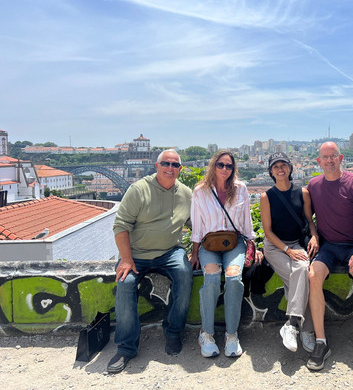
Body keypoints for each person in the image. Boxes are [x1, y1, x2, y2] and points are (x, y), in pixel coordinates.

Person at [108, 149, 194, 374]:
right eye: (165, 163)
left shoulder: (186, 194)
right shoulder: (139, 190)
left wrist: (198, 251)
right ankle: (126, 347)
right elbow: (121, 225)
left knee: (185, 275)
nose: (170, 168)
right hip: (136, 253)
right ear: (157, 166)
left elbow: (197, 226)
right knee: (125, 284)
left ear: (180, 169)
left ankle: (173, 332)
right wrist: (126, 259)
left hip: (170, 252)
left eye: (175, 165)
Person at [306, 141, 353, 374]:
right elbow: (307, 218)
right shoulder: (313, 186)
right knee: (313, 276)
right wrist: (313, 235)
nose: (329, 160)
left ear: (341, 158)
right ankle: (321, 342)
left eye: (333, 156)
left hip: (352, 247)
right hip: (328, 247)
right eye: (325, 157)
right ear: (318, 161)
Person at [190, 150, 261, 358]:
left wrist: (253, 246)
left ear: (233, 169)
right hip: (209, 244)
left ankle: (232, 334)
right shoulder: (200, 191)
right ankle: (207, 333)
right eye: (220, 164)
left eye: (229, 166)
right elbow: (197, 226)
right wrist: (194, 254)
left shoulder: (240, 189)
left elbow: (247, 222)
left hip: (234, 243)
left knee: (233, 278)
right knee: (211, 278)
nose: (224, 169)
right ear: (213, 166)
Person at [260, 152, 318, 353]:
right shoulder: (266, 197)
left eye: (283, 165)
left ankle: (291, 325)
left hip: (297, 242)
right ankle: (307, 330)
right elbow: (267, 231)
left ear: (291, 168)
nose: (280, 169)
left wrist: (314, 236)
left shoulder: (303, 193)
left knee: (301, 271)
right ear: (271, 172)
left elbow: (309, 220)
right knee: (301, 279)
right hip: (275, 247)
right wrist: (288, 251)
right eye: (276, 166)